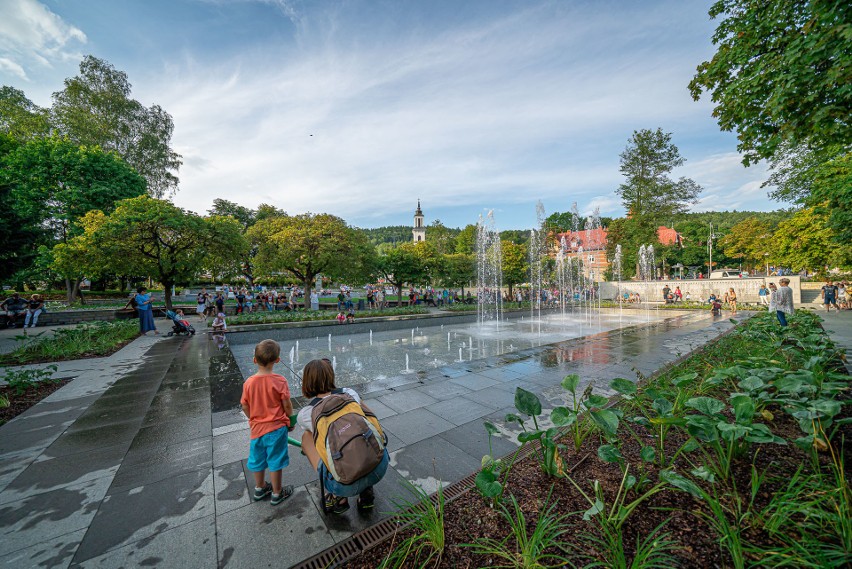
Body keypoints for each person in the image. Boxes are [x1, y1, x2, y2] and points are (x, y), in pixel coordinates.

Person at [297, 359, 388, 514]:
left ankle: (337, 496)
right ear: (331, 375)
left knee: (307, 437)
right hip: (379, 466)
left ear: (306, 382)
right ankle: (366, 493)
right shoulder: (349, 393)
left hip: (344, 483)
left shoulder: (306, 413)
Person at [240, 339, 294, 506]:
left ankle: (260, 487)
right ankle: (277, 493)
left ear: (254, 360)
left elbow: (244, 404)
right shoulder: (280, 381)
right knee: (275, 460)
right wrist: (290, 420)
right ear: (277, 360)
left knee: (258, 458)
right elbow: (286, 404)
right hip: (276, 428)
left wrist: (253, 418)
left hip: (257, 429)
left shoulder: (248, 382)